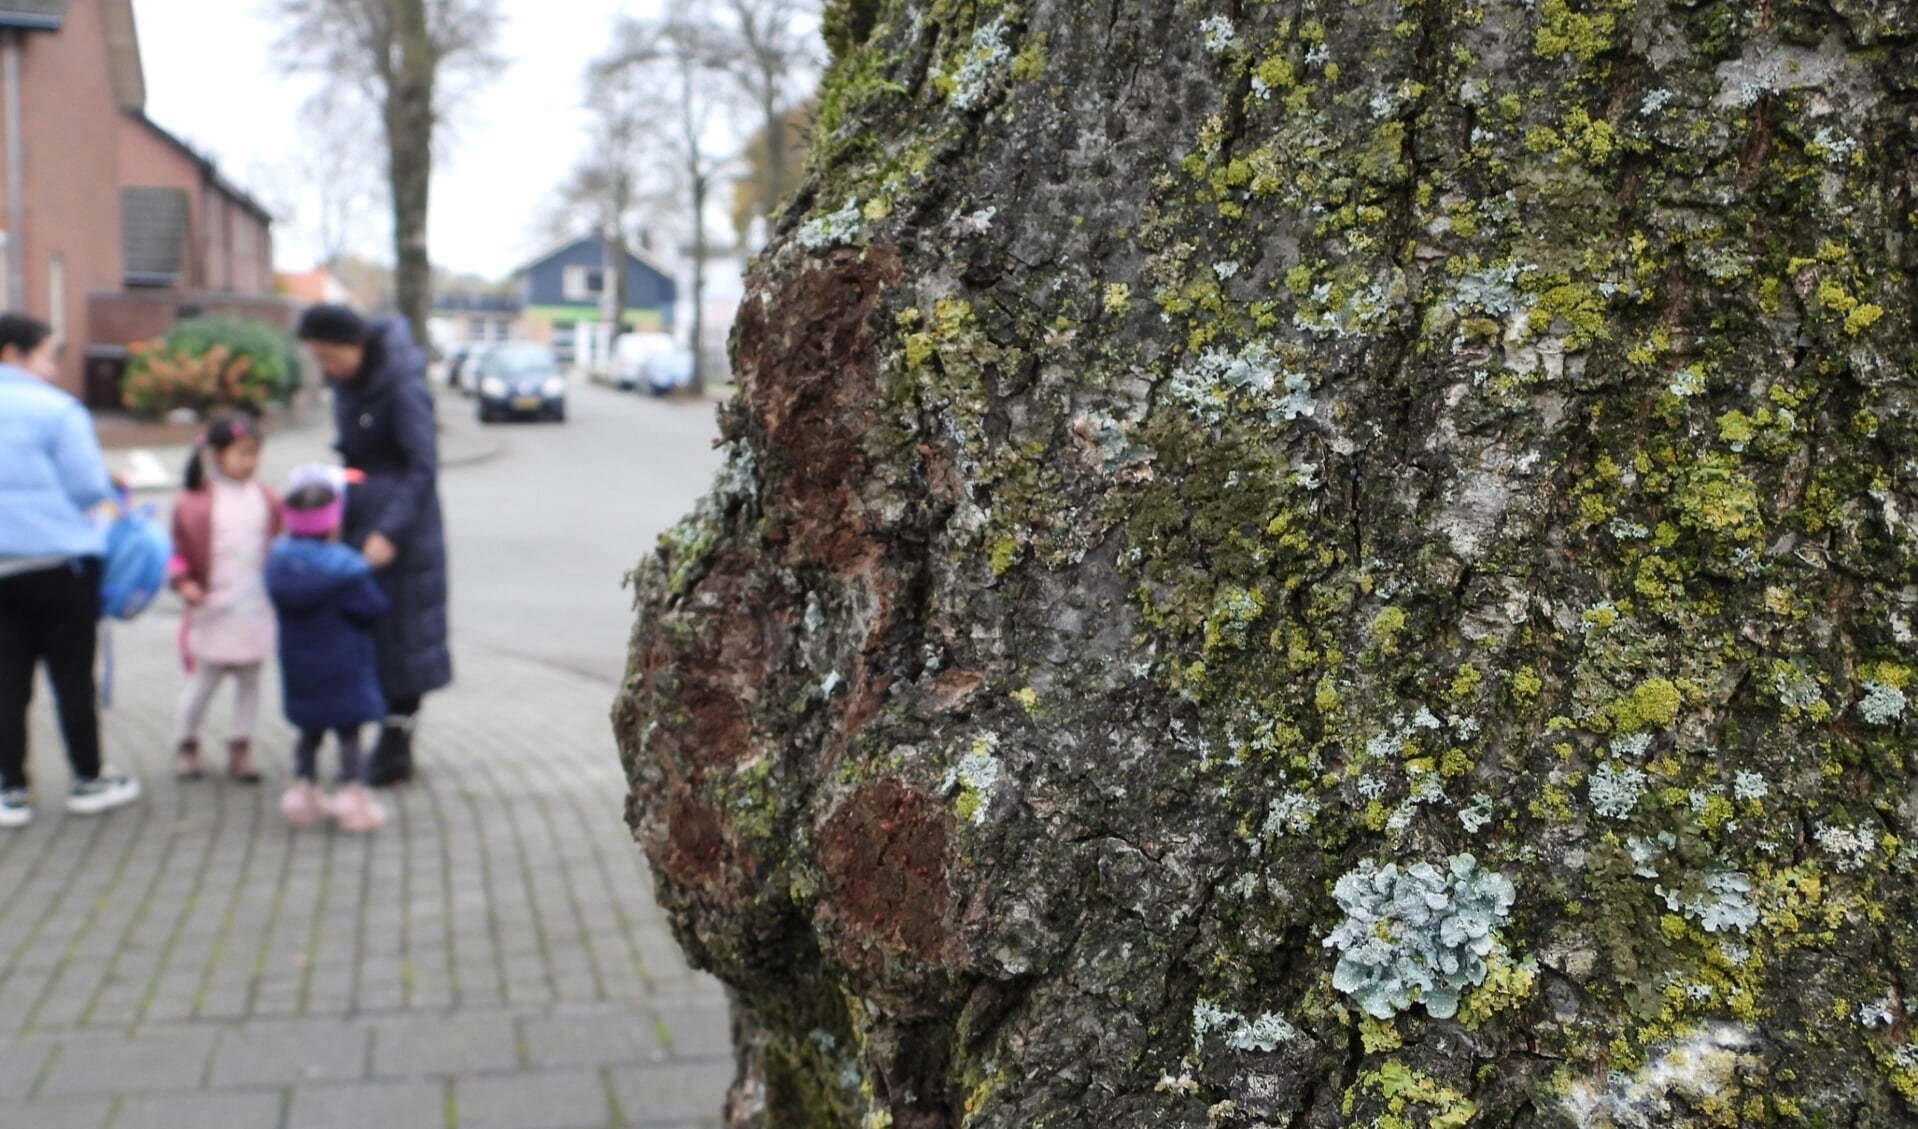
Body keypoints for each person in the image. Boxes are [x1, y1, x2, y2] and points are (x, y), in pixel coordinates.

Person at [295, 304, 451, 787]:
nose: (326, 368)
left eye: (329, 356)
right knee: (375, 638)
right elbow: (355, 450)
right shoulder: (349, 384)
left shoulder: (402, 383)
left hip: (405, 535)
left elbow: (422, 465)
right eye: (318, 359)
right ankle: (377, 741)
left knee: (406, 642)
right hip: (362, 525)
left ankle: (396, 749)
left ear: (355, 343)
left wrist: (389, 531)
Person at [0, 314, 141, 827]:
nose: (55, 368)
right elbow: (87, 488)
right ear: (14, 353)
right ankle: (88, 779)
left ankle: (9, 789)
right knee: (72, 678)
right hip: (60, 565)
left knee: (8, 683)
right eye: (48, 354)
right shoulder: (58, 411)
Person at [265, 468, 389, 832]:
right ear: (333, 523)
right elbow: (374, 608)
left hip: (299, 664)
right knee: (348, 733)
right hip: (343, 663)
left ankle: (303, 793)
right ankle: (354, 800)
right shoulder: (347, 571)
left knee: (309, 730)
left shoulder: (279, 564)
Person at [168, 411, 283, 781]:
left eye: (255, 453)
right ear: (216, 454)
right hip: (212, 607)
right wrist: (183, 582)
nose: (251, 462)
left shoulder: (265, 497)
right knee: (204, 681)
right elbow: (177, 552)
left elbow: (279, 544)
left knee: (251, 680)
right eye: (243, 453)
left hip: (254, 606)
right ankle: (186, 742)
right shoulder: (193, 502)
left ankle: (241, 744)